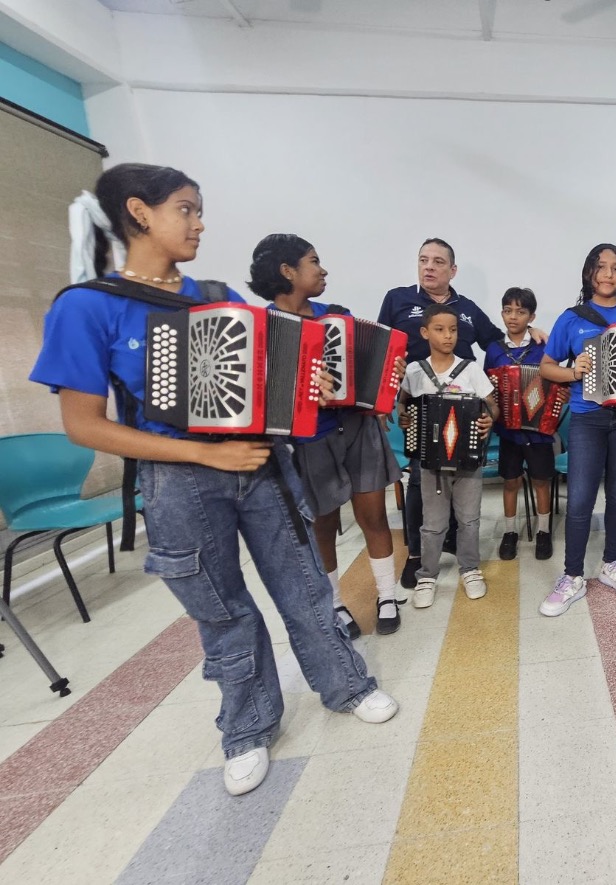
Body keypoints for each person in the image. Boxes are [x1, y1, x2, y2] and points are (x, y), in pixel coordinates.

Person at [32, 164, 397, 798]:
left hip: (263, 467)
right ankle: (248, 727)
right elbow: (85, 427)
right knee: (222, 609)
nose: (199, 223)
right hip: (180, 483)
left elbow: (268, 388)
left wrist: (305, 388)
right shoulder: (87, 306)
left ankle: (348, 685)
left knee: (306, 586)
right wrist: (205, 458)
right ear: (140, 213)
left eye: (199, 210)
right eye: (186, 210)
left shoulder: (218, 298)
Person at [249, 233, 405, 639]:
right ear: (288, 272)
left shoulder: (337, 315)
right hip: (308, 439)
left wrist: (388, 380)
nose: (323, 270)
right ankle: (335, 602)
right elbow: (260, 398)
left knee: (373, 515)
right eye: (313, 261)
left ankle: (387, 595)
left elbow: (371, 370)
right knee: (323, 524)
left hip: (357, 428)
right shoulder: (262, 329)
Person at [377, 240, 544, 589]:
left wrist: (532, 334)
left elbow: (497, 340)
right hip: (420, 409)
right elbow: (380, 349)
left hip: (462, 408)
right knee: (421, 486)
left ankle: (457, 547)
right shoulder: (398, 299)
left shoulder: (467, 308)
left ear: (452, 270)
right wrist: (386, 402)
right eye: (423, 260)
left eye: (438, 262)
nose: (429, 267)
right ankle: (418, 557)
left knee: (463, 485)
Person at [537, 244, 616, 616]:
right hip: (587, 417)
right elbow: (546, 366)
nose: (607, 274)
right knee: (579, 500)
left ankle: (611, 564)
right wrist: (575, 371)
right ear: (589, 272)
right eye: (600, 267)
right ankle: (572, 575)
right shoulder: (573, 318)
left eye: (615, 268)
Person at [398, 303, 497, 608]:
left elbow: (491, 404)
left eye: (453, 329)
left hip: (468, 460)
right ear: (425, 332)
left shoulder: (470, 370)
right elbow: (402, 403)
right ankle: (427, 574)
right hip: (430, 463)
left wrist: (489, 418)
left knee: (469, 520)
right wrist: (405, 417)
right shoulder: (415, 371)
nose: (448, 336)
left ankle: (470, 568)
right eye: (440, 329)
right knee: (433, 523)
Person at [483, 287, 560, 561]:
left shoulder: (543, 346)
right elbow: (486, 386)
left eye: (520, 311)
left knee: (541, 481)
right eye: (508, 310)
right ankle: (509, 532)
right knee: (510, 481)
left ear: (531, 316)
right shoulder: (494, 350)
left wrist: (557, 399)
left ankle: (543, 532)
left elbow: (555, 380)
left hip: (539, 429)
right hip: (508, 430)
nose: (513, 316)